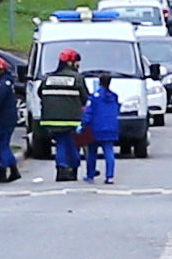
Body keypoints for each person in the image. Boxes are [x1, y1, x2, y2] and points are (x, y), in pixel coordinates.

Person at [36, 48, 90, 181]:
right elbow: (85, 98)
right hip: (72, 120)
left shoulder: (48, 78)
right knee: (73, 145)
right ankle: (72, 169)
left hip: (50, 120)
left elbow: (39, 93)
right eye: (77, 62)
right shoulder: (77, 78)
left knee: (60, 144)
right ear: (71, 63)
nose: (78, 65)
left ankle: (61, 169)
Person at [80, 73, 121, 184]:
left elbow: (88, 113)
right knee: (109, 152)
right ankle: (110, 176)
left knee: (92, 152)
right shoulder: (114, 97)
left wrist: (83, 125)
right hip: (111, 127)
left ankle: (90, 175)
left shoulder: (93, 97)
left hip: (95, 128)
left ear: (99, 82)